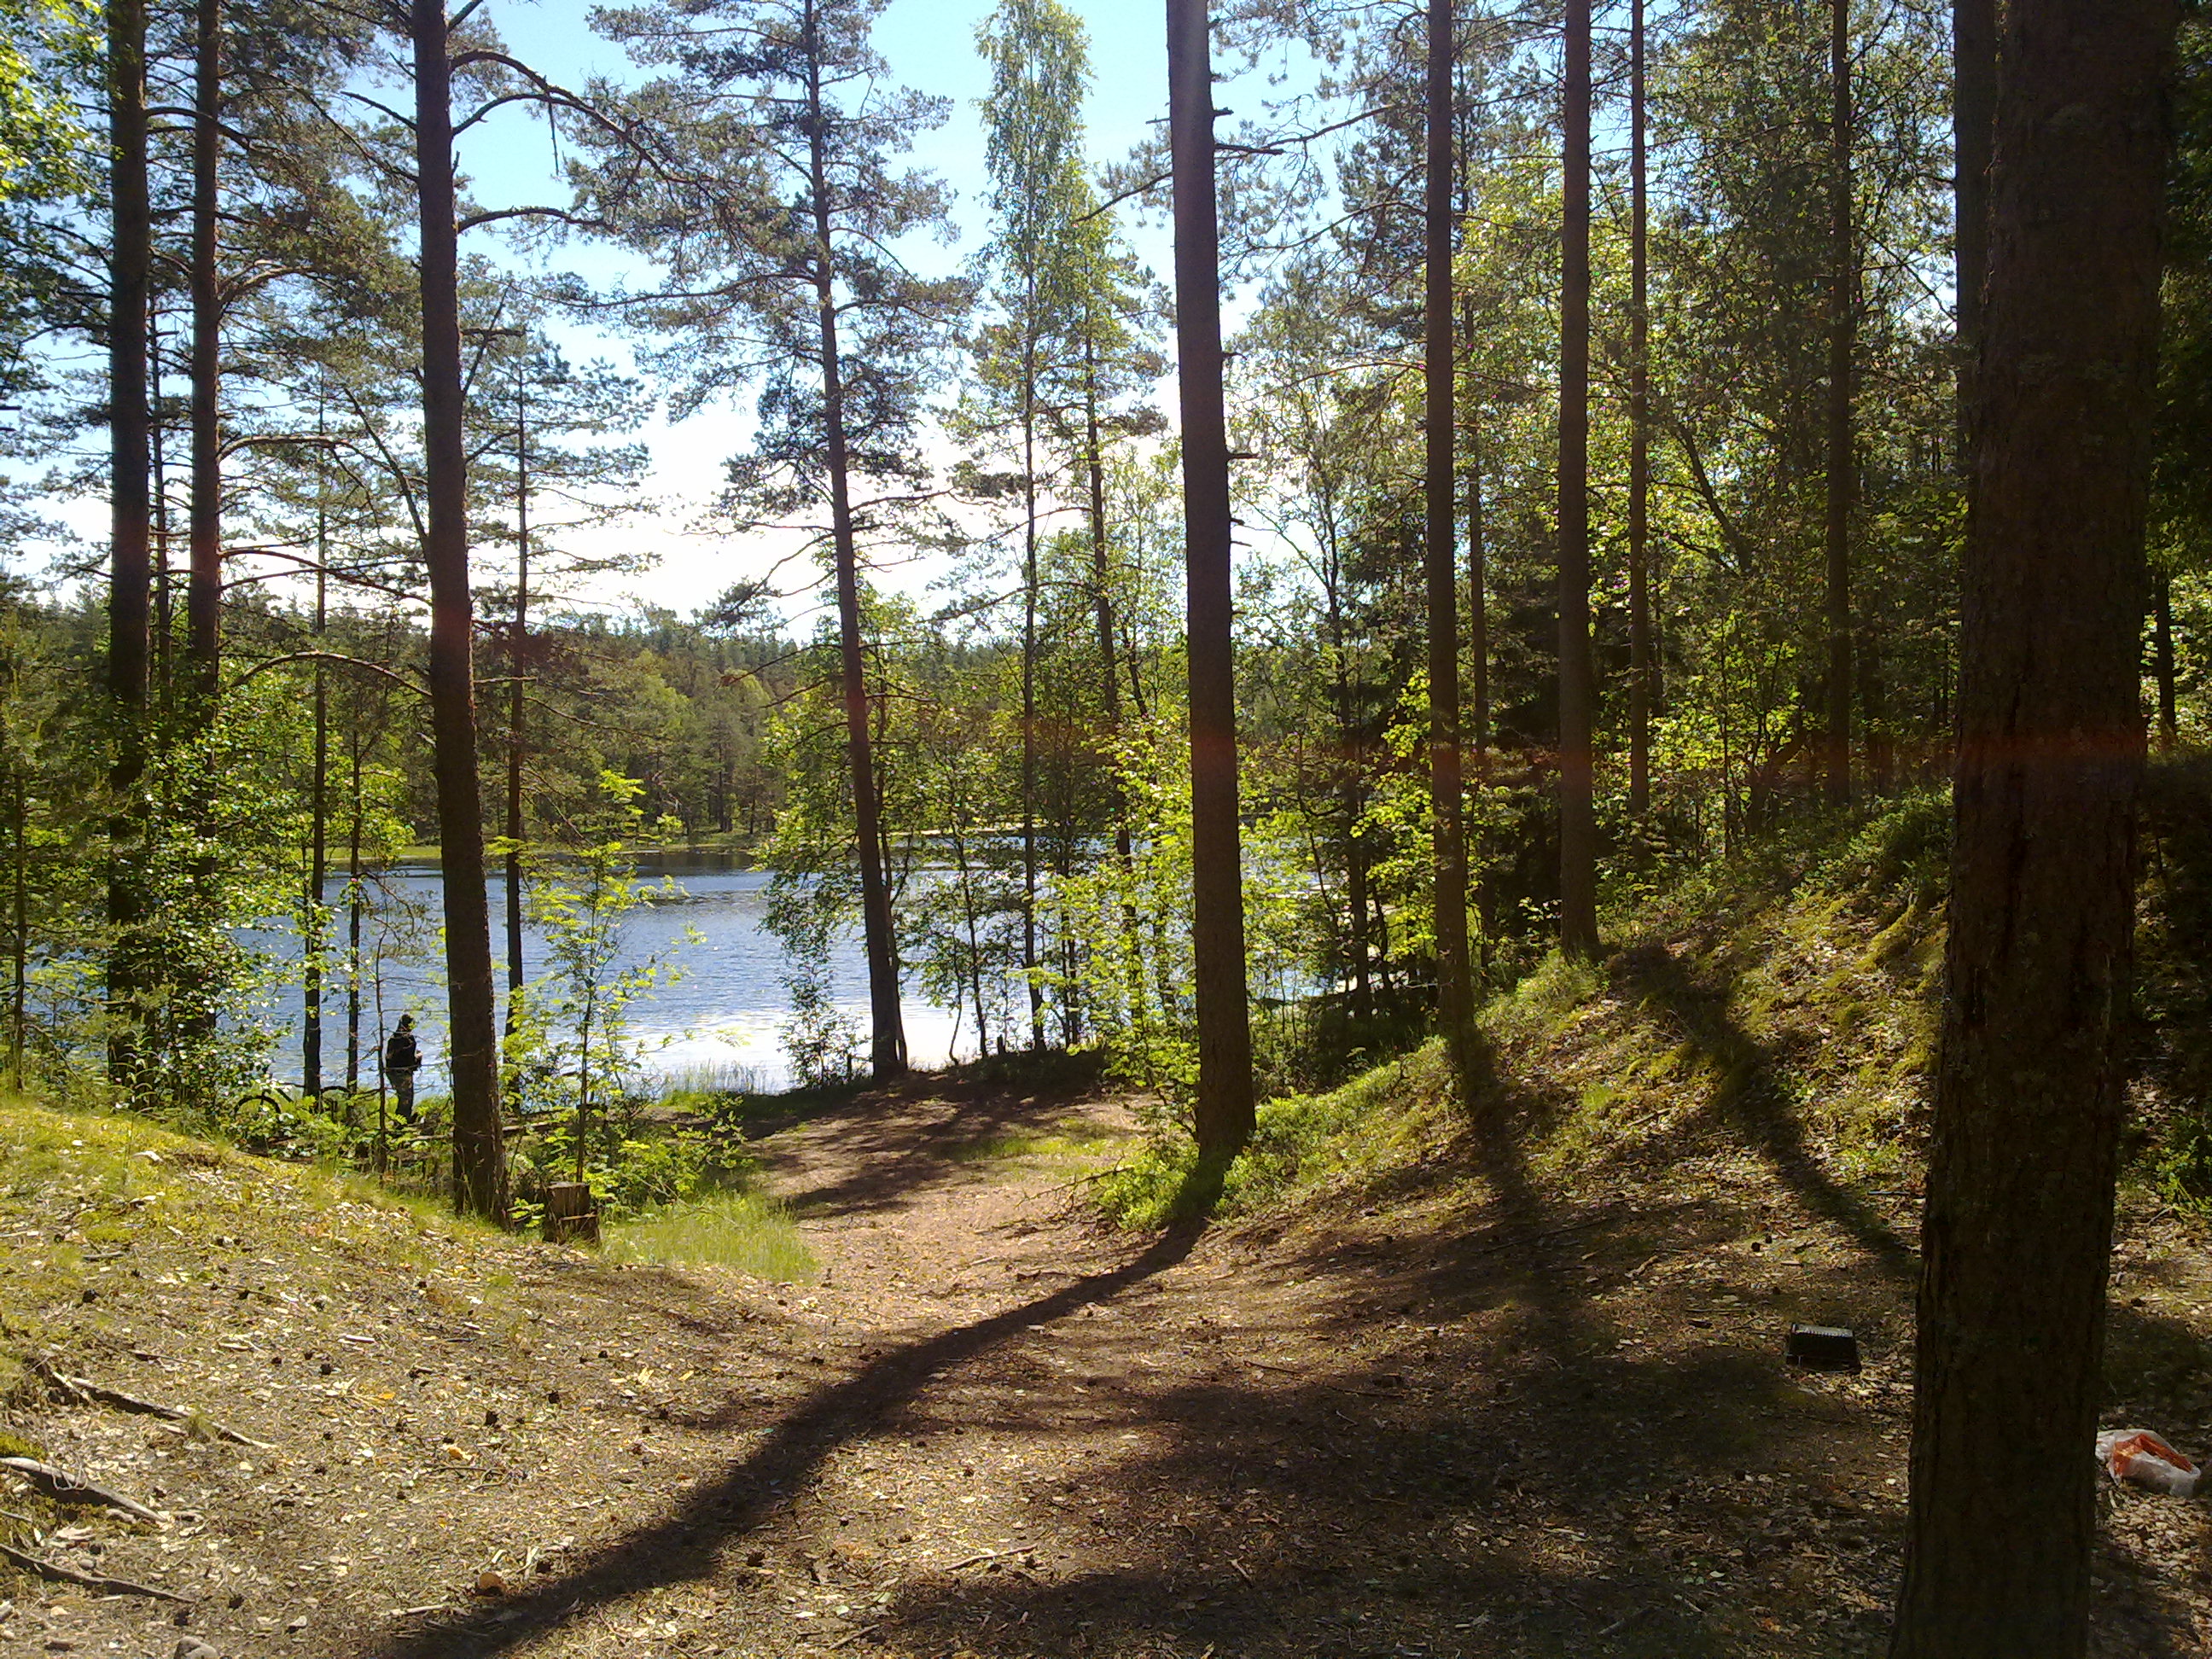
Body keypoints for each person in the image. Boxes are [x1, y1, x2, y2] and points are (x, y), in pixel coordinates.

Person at [384, 1014, 422, 1123]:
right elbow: (409, 1060)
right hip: (403, 1072)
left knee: (402, 1097)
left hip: (391, 1072)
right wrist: (419, 1058)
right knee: (407, 1097)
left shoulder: (393, 1038)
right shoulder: (409, 1039)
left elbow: (391, 1056)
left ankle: (401, 1120)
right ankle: (402, 1122)